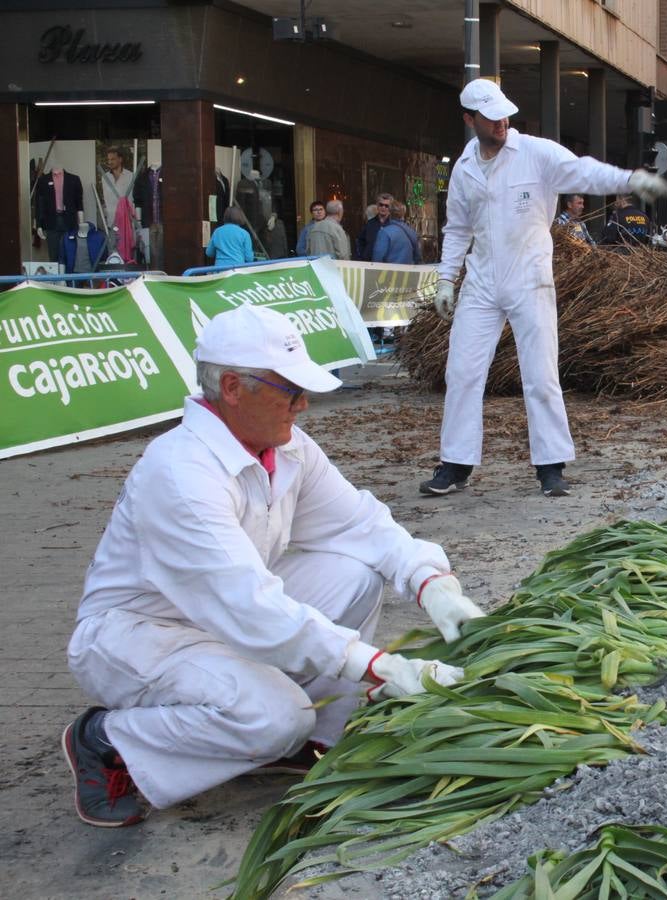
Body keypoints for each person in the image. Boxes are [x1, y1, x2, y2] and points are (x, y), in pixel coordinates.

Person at [61, 304, 485, 827]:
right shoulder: (180, 474)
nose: (303, 404)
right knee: (272, 715)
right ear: (234, 388)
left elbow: (357, 525)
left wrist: (431, 581)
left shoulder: (286, 450)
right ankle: (109, 741)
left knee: (353, 575)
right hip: (144, 632)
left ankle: (309, 738)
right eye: (289, 390)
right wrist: (381, 666)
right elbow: (247, 603)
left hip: (223, 611)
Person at [422, 78, 667, 498]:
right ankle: (456, 464)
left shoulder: (535, 153)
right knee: (462, 372)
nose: (501, 122)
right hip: (481, 283)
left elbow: (584, 171)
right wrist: (446, 279)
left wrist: (631, 180)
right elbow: (457, 228)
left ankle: (551, 467)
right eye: (490, 116)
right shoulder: (464, 167)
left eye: (504, 114)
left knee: (539, 373)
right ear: (469, 119)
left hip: (529, 279)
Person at [371, 200, 423, 264]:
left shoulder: (384, 233)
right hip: (408, 272)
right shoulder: (412, 232)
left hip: (390, 272)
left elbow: (377, 259)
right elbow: (418, 258)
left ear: (389, 213)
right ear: (403, 214)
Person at [355, 194, 394, 261]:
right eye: (381, 205)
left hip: (388, 266)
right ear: (377, 206)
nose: (383, 207)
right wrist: (362, 257)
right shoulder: (369, 224)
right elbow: (360, 242)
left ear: (390, 208)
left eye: (386, 206)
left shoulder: (393, 226)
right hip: (369, 264)